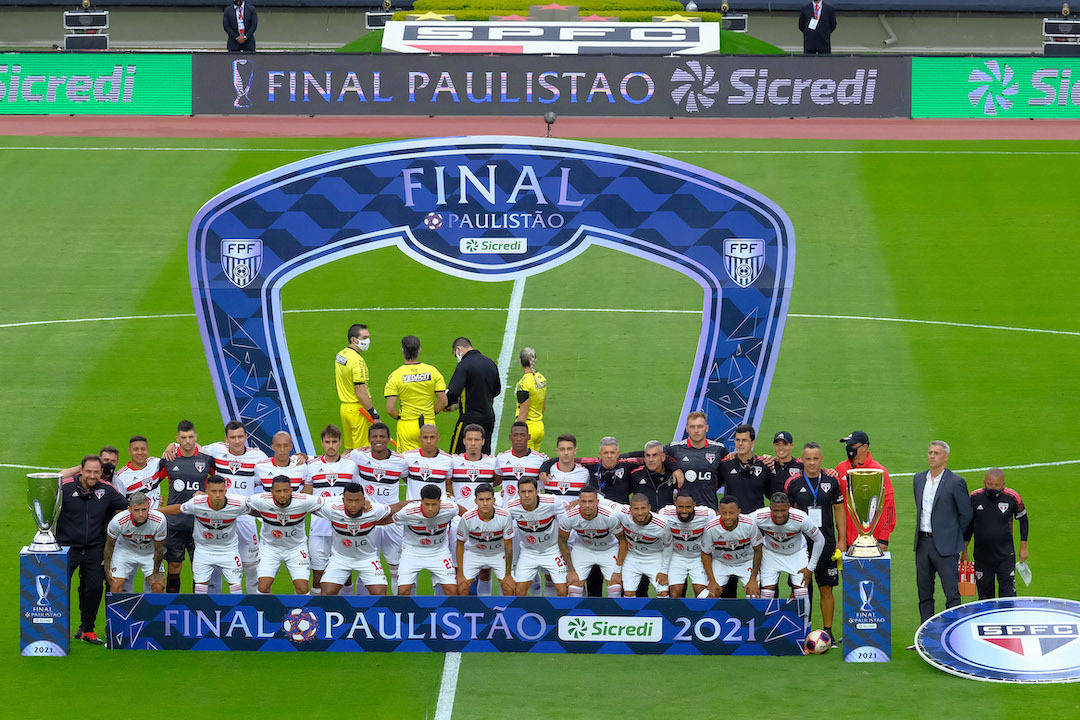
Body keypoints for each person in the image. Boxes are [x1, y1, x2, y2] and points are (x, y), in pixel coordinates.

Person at [57, 455, 127, 644]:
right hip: (66, 547)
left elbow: (129, 507)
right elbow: (49, 480)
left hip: (95, 548)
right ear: (81, 470)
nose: (92, 475)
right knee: (58, 588)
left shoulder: (107, 489)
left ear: (101, 473)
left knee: (94, 588)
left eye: (96, 472)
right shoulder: (65, 487)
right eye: (88, 471)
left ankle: (87, 630)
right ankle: (54, 629)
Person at [785, 442, 846, 644]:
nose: (811, 463)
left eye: (815, 458)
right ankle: (803, 629)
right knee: (801, 587)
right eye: (807, 459)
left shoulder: (831, 481)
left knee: (826, 588)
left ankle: (828, 633)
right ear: (801, 460)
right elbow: (786, 514)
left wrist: (841, 540)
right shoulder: (793, 483)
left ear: (821, 459)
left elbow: (839, 509)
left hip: (827, 543)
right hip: (801, 545)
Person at [201, 420, 267, 591]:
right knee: (215, 566)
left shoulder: (258, 457)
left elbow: (274, 474)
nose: (237, 441)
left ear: (246, 437)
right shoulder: (215, 450)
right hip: (220, 517)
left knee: (251, 566)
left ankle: (254, 604)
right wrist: (172, 445)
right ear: (226, 439)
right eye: (233, 437)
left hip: (246, 517)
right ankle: (215, 605)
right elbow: (191, 449)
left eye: (240, 437)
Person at [912, 441, 973, 625]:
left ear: (945, 457)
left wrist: (953, 536)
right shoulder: (918, 479)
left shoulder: (956, 482)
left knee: (952, 595)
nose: (932, 456)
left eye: (936, 453)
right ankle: (924, 637)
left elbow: (967, 515)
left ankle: (951, 638)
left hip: (946, 547)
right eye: (930, 452)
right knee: (924, 593)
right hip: (923, 543)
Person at [159, 475, 250, 594]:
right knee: (200, 590)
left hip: (229, 550)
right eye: (213, 491)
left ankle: (235, 612)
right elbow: (177, 509)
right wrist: (153, 512)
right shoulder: (197, 503)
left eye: (221, 491)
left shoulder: (238, 503)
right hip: (203, 550)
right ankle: (201, 613)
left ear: (226, 491)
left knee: (236, 589)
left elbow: (256, 510)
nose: (217, 495)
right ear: (207, 491)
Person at [316, 483, 406, 596]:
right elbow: (307, 504)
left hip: (367, 559)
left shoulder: (374, 510)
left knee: (380, 594)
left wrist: (421, 501)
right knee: (327, 593)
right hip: (340, 559)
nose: (353, 505)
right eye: (349, 501)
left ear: (364, 500)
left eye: (357, 501)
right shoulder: (332, 510)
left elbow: (397, 507)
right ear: (343, 500)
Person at [349, 422, 409, 592]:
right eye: (374, 437)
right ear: (368, 439)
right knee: (365, 569)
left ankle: (398, 609)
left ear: (389, 439)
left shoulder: (400, 461)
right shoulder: (358, 456)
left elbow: (409, 480)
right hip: (369, 521)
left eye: (382, 436)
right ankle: (361, 607)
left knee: (396, 569)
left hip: (392, 522)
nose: (378, 440)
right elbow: (343, 458)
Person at [161, 420, 217, 593]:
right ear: (178, 438)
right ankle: (172, 605)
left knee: (198, 569)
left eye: (191, 437)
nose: (187, 441)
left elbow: (221, 484)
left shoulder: (207, 460)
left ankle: (195, 607)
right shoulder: (169, 459)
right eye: (183, 437)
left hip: (199, 524)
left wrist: (206, 494)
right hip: (174, 523)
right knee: (174, 567)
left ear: (196, 437)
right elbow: (153, 481)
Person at [247, 475, 324, 594]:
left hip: (296, 549)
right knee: (263, 587)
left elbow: (327, 503)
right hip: (269, 549)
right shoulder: (260, 500)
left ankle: (299, 613)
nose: (282, 495)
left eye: (286, 490)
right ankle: (266, 613)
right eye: (278, 491)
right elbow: (239, 504)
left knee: (302, 589)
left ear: (292, 491)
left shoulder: (304, 501)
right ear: (271, 491)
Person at [306, 424, 359, 593]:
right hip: (319, 530)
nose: (331, 446)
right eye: (327, 442)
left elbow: (358, 494)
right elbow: (306, 496)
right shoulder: (312, 466)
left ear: (340, 443)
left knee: (346, 576)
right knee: (317, 576)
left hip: (344, 529)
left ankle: (346, 611)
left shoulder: (351, 466)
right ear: (322, 443)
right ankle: (318, 614)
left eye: (334, 442)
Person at [963, 468, 1029, 599]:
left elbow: (1023, 521)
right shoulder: (974, 498)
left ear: (1003, 484)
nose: (993, 488)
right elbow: (968, 526)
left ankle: (1008, 620)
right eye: (989, 484)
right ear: (984, 482)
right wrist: (964, 551)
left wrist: (1024, 548)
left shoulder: (1012, 497)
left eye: (997, 485)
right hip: (982, 557)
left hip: (1005, 556)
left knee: (1008, 597)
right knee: (985, 598)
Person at [393, 484, 466, 596]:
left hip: (439, 552)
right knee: (403, 591)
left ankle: (444, 613)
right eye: (427, 504)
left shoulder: (450, 508)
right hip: (412, 552)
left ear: (440, 502)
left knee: (452, 591)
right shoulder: (407, 512)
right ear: (421, 502)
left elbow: (464, 513)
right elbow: (389, 518)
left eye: (434, 504)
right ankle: (409, 613)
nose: (430, 508)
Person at [753, 492, 824, 605]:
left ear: (789, 508)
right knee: (766, 594)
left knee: (802, 593)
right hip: (771, 553)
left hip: (796, 553)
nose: (779, 514)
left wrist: (810, 568)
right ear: (770, 508)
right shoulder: (758, 516)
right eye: (776, 510)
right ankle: (766, 623)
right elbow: (742, 524)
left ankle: (804, 623)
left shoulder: (801, 518)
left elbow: (820, 540)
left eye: (783, 510)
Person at [558, 486, 626, 598]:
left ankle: (613, 614)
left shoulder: (610, 516)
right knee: (573, 586)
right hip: (583, 549)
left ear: (597, 502)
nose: (587, 505)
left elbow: (623, 541)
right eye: (584, 501)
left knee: (615, 586)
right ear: (579, 502)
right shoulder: (569, 517)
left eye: (591, 501)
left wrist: (618, 570)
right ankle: (576, 615)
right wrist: (571, 570)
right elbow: (562, 541)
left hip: (608, 549)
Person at [385, 335, 448, 452]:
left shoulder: (395, 375)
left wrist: (400, 416)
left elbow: (390, 409)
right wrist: (431, 413)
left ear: (402, 351)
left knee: (408, 463)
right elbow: (443, 401)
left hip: (407, 425)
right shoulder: (433, 371)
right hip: (428, 424)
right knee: (429, 460)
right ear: (419, 350)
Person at [836, 430, 896, 552]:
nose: (849, 449)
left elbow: (889, 506)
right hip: (848, 541)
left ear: (864, 447)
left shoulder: (879, 471)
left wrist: (884, 538)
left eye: (852, 445)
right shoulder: (841, 468)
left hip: (874, 540)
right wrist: (841, 540)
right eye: (847, 446)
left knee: (872, 572)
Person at [651, 411, 725, 510]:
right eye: (692, 427)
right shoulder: (676, 448)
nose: (696, 430)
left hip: (709, 510)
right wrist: (675, 468)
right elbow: (657, 454)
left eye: (700, 426)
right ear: (687, 429)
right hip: (684, 511)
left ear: (706, 428)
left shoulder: (719, 449)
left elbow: (727, 470)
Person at [507, 478, 568, 596]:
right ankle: (526, 613)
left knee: (563, 590)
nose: (527, 495)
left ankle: (560, 614)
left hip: (552, 550)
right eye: (523, 492)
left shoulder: (552, 502)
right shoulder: (511, 508)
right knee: (519, 591)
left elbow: (565, 525)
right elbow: (505, 529)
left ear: (537, 491)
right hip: (528, 551)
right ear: (518, 493)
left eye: (530, 491)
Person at [455, 483, 515, 596]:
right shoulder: (467, 518)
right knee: (462, 587)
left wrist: (508, 574)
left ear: (494, 500)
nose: (485, 503)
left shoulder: (505, 516)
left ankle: (506, 612)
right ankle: (466, 613)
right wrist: (460, 574)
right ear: (475, 501)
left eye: (488, 499)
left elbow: (508, 546)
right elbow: (460, 544)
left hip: (498, 553)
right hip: (474, 553)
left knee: (509, 587)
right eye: (481, 500)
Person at [445, 336, 501, 454]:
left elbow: (453, 392)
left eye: (456, 354)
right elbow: (496, 391)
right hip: (488, 418)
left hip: (469, 419)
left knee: (455, 455)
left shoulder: (464, 365)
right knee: (484, 456)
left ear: (459, 349)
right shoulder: (490, 363)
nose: (457, 358)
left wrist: (446, 404)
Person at [701, 495, 762, 598]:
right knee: (710, 595)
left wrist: (753, 578)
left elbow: (758, 550)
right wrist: (712, 581)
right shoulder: (711, 527)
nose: (727, 517)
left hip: (746, 562)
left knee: (754, 594)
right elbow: (705, 553)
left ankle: (749, 614)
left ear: (739, 511)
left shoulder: (749, 524)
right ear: (719, 512)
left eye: (731, 513)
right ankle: (715, 614)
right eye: (724, 513)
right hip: (721, 562)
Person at [104, 492, 166, 594]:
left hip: (149, 552)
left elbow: (159, 549)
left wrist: (155, 573)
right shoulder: (118, 521)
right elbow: (109, 545)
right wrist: (107, 570)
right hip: (125, 551)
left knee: (158, 587)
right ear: (129, 509)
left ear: (149, 507)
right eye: (137, 510)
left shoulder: (159, 520)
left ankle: (152, 609)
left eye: (144, 509)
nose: (141, 514)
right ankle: (120, 610)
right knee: (115, 585)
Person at [660, 492, 715, 599]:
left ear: (694, 504)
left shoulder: (707, 514)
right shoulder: (665, 513)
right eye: (680, 507)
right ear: (675, 504)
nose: (684, 511)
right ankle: (677, 615)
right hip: (677, 556)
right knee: (675, 593)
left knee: (702, 594)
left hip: (699, 557)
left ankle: (700, 615)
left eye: (688, 507)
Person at [335, 323, 379, 453]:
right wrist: (373, 414)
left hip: (345, 409)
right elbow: (360, 391)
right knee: (362, 452)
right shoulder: (357, 361)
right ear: (354, 339)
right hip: (358, 411)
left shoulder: (340, 355)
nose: (367, 341)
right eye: (364, 338)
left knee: (348, 449)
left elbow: (337, 382)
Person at [616, 494, 670, 598]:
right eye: (636, 509)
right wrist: (577, 502)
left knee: (663, 594)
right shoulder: (622, 512)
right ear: (630, 509)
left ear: (649, 508)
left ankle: (662, 614)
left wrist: (664, 571)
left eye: (643, 508)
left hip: (655, 558)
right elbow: (604, 502)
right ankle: (630, 614)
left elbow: (669, 546)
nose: (640, 512)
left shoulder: (662, 524)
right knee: (628, 594)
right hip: (632, 557)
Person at [719, 423, 777, 513]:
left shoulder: (765, 464)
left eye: (744, 440)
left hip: (756, 522)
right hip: (732, 521)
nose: (740, 444)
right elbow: (711, 487)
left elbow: (772, 495)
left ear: (753, 442)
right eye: (737, 440)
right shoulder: (725, 464)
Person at [494, 421, 546, 507]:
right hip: (508, 511)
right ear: (510, 437)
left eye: (522, 435)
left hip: (531, 512)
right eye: (515, 435)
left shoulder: (540, 460)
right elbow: (496, 480)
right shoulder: (501, 458)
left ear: (528, 437)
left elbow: (544, 486)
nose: (519, 439)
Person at [580, 436, 640, 506]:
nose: (609, 456)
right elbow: (569, 461)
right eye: (606, 453)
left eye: (612, 452)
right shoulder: (591, 464)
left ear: (618, 454)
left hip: (621, 513)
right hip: (598, 514)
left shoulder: (626, 464)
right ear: (600, 454)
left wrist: (626, 455)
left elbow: (647, 456)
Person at [538, 433, 591, 511]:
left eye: (569, 449)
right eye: (562, 449)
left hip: (574, 520)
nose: (566, 453)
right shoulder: (547, 472)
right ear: (557, 451)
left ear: (575, 451)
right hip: (552, 521)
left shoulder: (584, 473)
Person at [404, 423, 454, 501]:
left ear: (438, 438)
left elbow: (448, 483)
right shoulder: (408, 456)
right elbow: (403, 476)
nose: (429, 441)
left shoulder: (448, 459)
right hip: (413, 507)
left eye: (432, 437)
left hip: (438, 507)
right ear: (420, 439)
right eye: (425, 437)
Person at [111, 436, 166, 508]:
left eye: (143, 449)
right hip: (135, 518)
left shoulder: (155, 463)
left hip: (156, 517)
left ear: (148, 450)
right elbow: (119, 506)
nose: (140, 452)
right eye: (136, 449)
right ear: (129, 451)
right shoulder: (120, 478)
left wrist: (172, 445)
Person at [514, 346, 547, 451]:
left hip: (527, 430)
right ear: (535, 360)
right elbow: (543, 407)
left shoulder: (523, 383)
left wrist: (517, 433)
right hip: (539, 427)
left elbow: (523, 411)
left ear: (521, 361)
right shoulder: (541, 379)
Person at [629, 440, 678, 511]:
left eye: (655, 455)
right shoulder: (635, 474)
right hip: (644, 520)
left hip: (667, 520)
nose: (651, 459)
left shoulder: (672, 474)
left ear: (663, 457)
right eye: (648, 455)